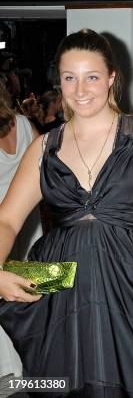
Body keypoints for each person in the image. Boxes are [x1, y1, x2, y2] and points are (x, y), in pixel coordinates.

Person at [0, 28, 133, 397]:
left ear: (111, 77)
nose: (80, 90)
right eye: (69, 78)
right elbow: (7, 220)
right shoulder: (44, 147)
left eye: (92, 77)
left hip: (130, 277)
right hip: (59, 283)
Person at [0, 79, 41, 380]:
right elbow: (49, 168)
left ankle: (11, 371)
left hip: (6, 226)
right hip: (29, 224)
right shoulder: (25, 125)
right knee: (25, 297)